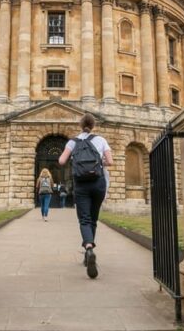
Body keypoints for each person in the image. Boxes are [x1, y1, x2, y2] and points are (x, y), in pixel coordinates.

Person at [59, 113, 114, 279]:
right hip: (98, 183)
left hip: (81, 184)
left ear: (80, 126)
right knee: (93, 219)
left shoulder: (73, 141)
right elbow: (110, 162)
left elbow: (61, 161)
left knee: (84, 219)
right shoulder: (101, 140)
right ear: (93, 126)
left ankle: (88, 247)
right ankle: (89, 252)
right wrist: (97, 163)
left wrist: (75, 161)